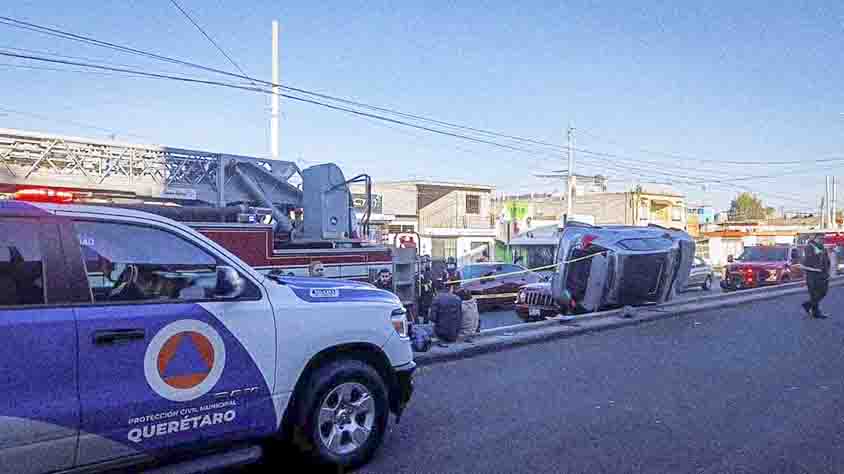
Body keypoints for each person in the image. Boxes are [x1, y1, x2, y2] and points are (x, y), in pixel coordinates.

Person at [801, 235, 831, 318]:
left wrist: (827, 270)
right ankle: (816, 313)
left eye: (823, 239)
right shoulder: (809, 247)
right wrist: (818, 254)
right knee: (814, 294)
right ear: (815, 239)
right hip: (812, 274)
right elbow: (806, 260)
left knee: (823, 292)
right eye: (820, 238)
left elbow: (826, 260)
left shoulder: (822, 248)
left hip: (822, 274)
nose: (822, 240)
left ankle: (808, 305)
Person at [418, 255, 436, 323]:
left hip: (428, 298)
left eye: (424, 263)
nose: (424, 265)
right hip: (420, 299)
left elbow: (433, 285)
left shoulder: (429, 273)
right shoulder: (417, 274)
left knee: (426, 316)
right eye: (422, 263)